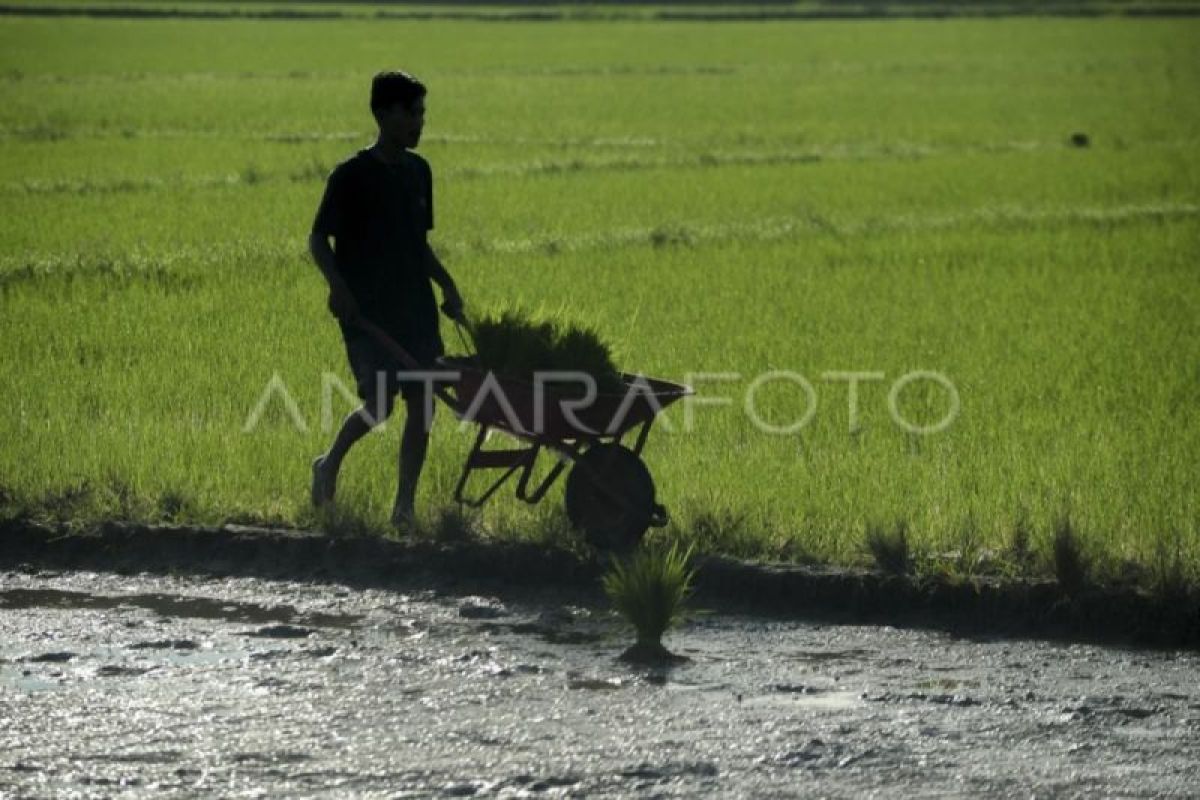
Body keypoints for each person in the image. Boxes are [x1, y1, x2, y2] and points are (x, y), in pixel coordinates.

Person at [308, 70, 463, 527]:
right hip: (367, 310)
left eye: (422, 114)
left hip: (415, 308)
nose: (419, 123)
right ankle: (329, 462)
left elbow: (419, 245)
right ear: (384, 115)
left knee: (424, 404)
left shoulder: (419, 172)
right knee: (379, 405)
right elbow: (318, 240)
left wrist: (448, 286)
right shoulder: (351, 176)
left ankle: (404, 507)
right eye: (411, 114)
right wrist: (338, 286)